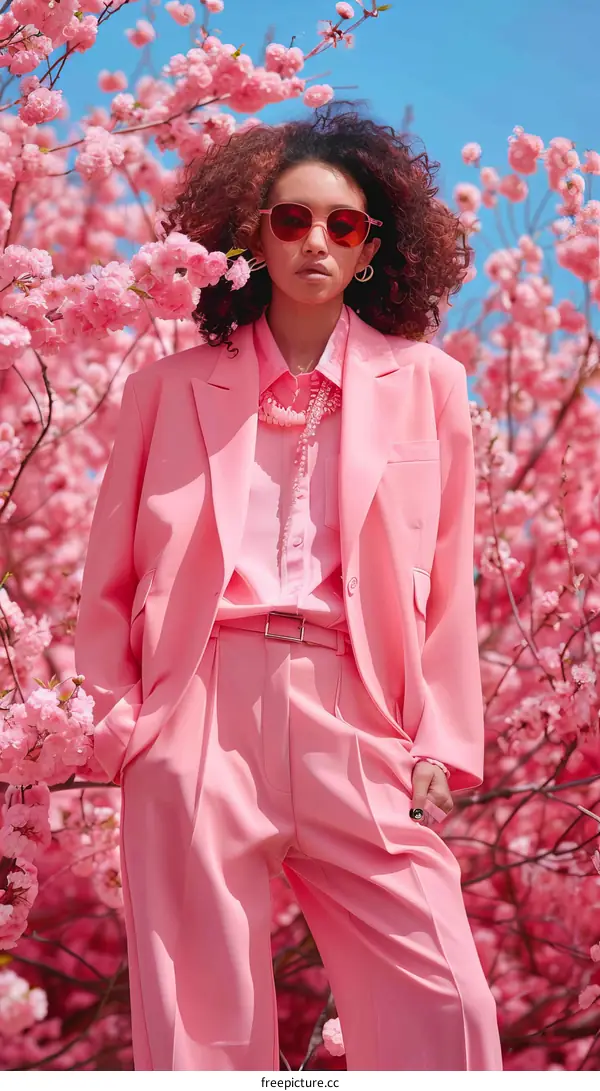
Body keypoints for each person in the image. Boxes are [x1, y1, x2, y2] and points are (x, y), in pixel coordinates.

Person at [74, 106, 503, 1072]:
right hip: (195, 711)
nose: (317, 240)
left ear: (372, 248)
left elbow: (448, 576)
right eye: (293, 219)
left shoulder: (430, 384)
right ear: (253, 233)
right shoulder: (167, 388)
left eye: (342, 225)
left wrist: (439, 736)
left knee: (452, 1011)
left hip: (357, 713)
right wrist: (124, 724)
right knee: (201, 1038)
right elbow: (106, 580)